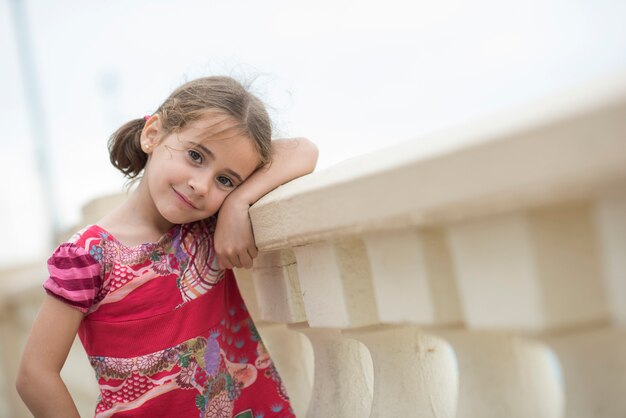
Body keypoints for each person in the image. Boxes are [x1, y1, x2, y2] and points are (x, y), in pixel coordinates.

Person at [16, 76, 318, 418]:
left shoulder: (205, 227)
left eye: (225, 179)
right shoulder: (87, 255)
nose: (202, 186)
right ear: (152, 135)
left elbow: (302, 150)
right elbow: (34, 375)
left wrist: (238, 202)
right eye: (195, 156)